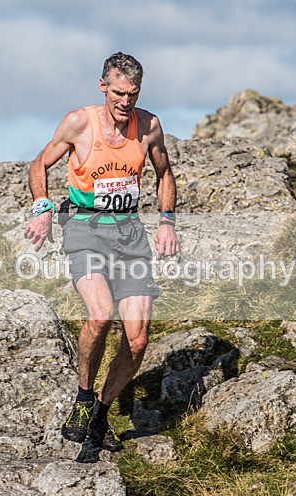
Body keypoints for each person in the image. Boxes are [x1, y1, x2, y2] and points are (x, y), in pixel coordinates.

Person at [24, 52, 179, 458]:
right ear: (103, 87)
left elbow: (165, 174)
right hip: (85, 230)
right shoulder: (80, 123)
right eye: (118, 92)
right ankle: (83, 396)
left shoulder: (149, 126)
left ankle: (101, 413)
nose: (125, 101)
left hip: (129, 235)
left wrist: (166, 220)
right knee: (100, 314)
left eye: (133, 93)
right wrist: (42, 207)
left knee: (139, 339)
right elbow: (39, 164)